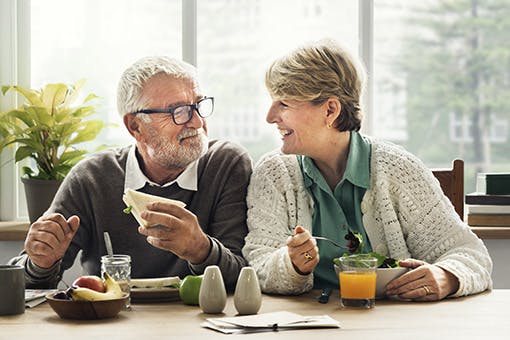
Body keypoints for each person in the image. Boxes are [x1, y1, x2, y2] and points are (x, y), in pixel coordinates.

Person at [242, 39, 492, 301]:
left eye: (284, 103)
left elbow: (470, 253)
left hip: (392, 325)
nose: (270, 117)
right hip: (305, 326)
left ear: (330, 109)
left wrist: (447, 276)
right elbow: (258, 264)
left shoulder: (399, 169)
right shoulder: (274, 173)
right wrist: (292, 264)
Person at [9, 56, 252, 289]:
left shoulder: (226, 165)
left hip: (198, 325)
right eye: (178, 111)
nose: (197, 122)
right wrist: (40, 262)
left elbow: (244, 278)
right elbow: (26, 284)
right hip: (110, 322)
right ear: (135, 126)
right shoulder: (92, 178)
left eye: (198, 105)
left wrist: (200, 249)